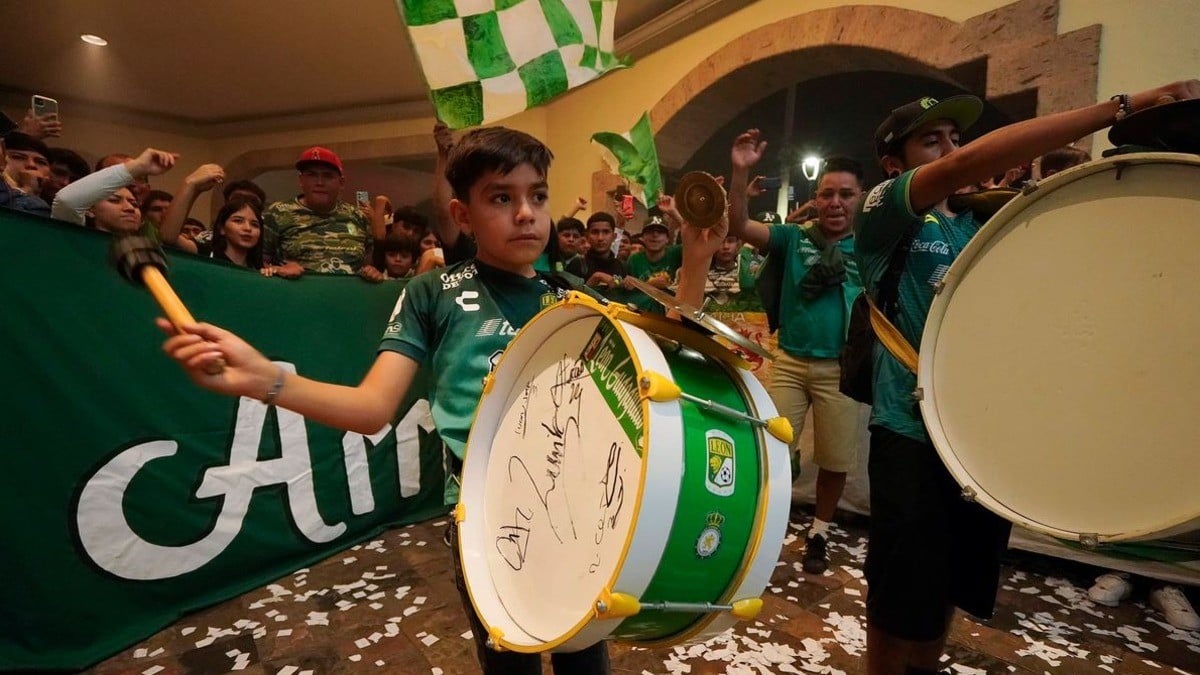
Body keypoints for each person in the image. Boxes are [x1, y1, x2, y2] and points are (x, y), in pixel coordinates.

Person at [158, 125, 727, 675]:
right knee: (511, 659)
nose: (525, 212)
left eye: (537, 196)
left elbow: (668, 344)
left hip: (584, 507)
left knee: (585, 653)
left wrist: (697, 258)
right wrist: (266, 379)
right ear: (462, 215)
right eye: (501, 197)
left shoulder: (573, 295)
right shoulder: (432, 292)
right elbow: (372, 407)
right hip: (487, 517)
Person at [850, 82, 1200, 675]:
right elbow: (969, 165)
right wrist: (1124, 109)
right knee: (899, 600)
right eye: (929, 141)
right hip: (909, 433)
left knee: (945, 594)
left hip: (982, 444)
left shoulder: (983, 221)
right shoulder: (885, 214)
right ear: (893, 164)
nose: (950, 150)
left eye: (954, 138)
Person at [731, 150, 866, 573]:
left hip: (840, 370)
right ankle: (766, 525)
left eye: (846, 194)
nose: (835, 203)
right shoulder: (794, 238)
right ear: (817, 197)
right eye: (827, 194)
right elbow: (737, 225)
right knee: (772, 449)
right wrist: (739, 172)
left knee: (834, 458)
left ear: (861, 198)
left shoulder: (870, 247)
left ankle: (820, 532)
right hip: (789, 362)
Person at [261, 146, 382, 278]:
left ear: (341, 183)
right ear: (301, 180)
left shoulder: (357, 216)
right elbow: (259, 263)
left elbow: (369, 263)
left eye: (327, 176)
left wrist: (372, 271)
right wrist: (277, 269)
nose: (319, 182)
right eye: (312, 175)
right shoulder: (278, 213)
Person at [52, 148, 177, 235]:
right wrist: (138, 166)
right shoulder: (75, 232)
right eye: (114, 200)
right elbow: (66, 201)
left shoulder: (145, 246)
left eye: (134, 204)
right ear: (90, 210)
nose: (130, 208)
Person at [565, 212, 626, 297]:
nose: (600, 238)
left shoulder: (621, 265)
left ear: (614, 236)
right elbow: (567, 302)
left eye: (606, 232)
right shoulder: (577, 264)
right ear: (587, 236)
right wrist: (593, 281)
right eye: (595, 232)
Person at [206, 197, 266, 271]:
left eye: (254, 224)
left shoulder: (259, 271)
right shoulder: (206, 254)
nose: (248, 228)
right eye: (238, 221)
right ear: (222, 228)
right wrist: (193, 189)